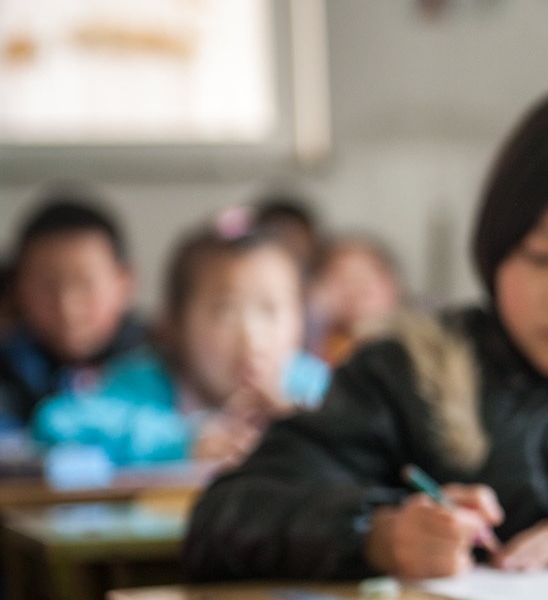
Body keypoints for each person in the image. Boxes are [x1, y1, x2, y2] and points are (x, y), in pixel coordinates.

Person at [183, 80, 548, 581]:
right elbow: (228, 515)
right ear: (497, 241)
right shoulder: (410, 375)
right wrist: (378, 534)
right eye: (539, 257)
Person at [32, 211, 329, 465]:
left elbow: (360, 433)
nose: (251, 336)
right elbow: (55, 422)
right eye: (224, 311)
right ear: (174, 322)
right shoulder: (148, 382)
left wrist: (298, 422)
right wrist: (184, 441)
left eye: (270, 309)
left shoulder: (308, 384)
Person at [0, 193, 143, 429]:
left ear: (124, 282)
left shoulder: (158, 362)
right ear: (17, 287)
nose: (67, 308)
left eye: (86, 284)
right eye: (47, 285)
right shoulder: (9, 364)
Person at [306, 235, 406, 366]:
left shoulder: (414, 346)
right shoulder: (316, 349)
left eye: (366, 276)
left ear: (393, 284)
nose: (355, 289)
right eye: (342, 278)